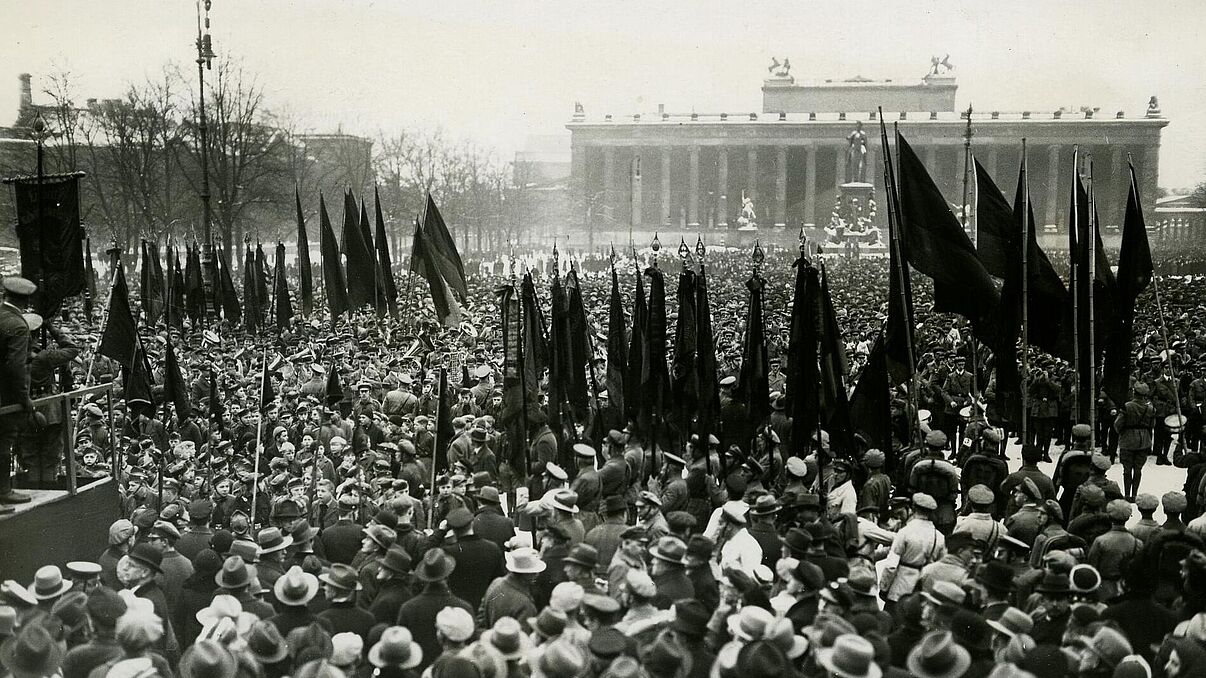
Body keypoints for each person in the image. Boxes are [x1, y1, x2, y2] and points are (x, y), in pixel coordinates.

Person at [0, 277, 36, 508]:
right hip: (6, 396)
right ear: (26, 301)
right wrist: (24, 398)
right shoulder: (18, 325)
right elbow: (16, 366)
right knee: (5, 441)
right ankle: (3, 490)